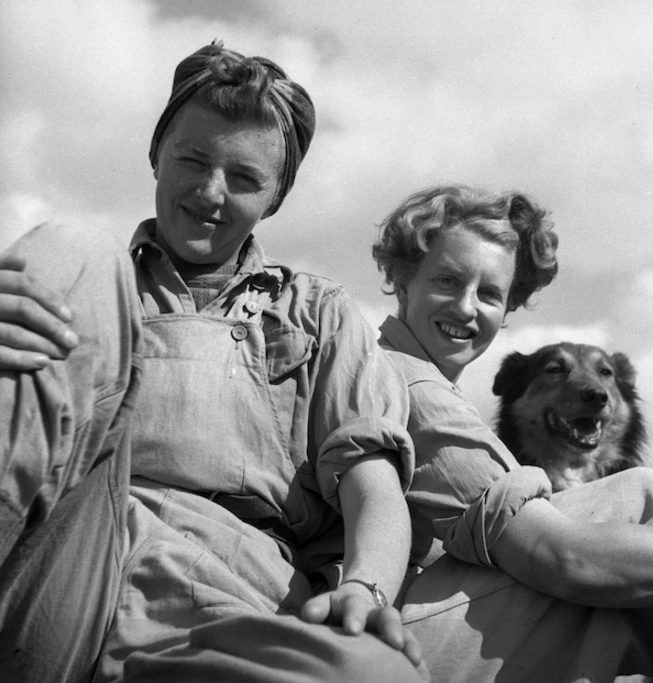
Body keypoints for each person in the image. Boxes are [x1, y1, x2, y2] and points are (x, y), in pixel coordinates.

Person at [0, 41, 427, 683]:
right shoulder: (92, 287)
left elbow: (375, 489)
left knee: (374, 673)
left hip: (231, 589)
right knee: (73, 248)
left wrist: (363, 591)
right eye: (192, 160)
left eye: (245, 179)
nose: (210, 192)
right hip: (66, 552)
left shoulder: (316, 311)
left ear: (276, 198)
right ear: (155, 156)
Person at [372, 184, 653, 682]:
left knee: (651, 579)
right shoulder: (406, 382)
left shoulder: (405, 380)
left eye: (491, 293)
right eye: (448, 281)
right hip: (399, 645)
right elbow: (569, 560)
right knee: (641, 501)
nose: (468, 308)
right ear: (402, 280)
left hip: (420, 623)